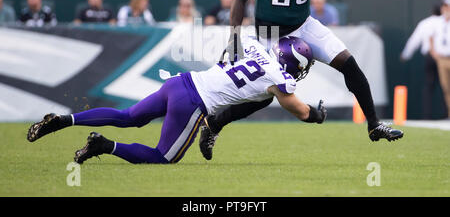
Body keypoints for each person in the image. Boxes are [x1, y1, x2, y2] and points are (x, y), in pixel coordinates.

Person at [199, 0, 403, 161]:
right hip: (266, 33)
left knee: (349, 64)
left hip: (303, 24)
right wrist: (234, 37)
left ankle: (374, 125)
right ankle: (214, 124)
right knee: (263, 96)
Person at [27, 36, 327, 165]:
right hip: (195, 102)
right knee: (164, 157)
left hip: (182, 81)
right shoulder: (280, 80)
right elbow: (299, 110)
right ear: (295, 63)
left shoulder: (254, 46)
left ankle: (64, 120)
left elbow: (232, 46)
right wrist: (318, 116)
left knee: (128, 116)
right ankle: (103, 146)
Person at [400, 3, 444, 119]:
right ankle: (446, 115)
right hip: (443, 57)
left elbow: (414, 40)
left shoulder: (425, 23)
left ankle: (427, 116)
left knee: (429, 86)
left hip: (430, 57)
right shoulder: (444, 23)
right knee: (445, 87)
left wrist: (406, 55)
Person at [429, 0, 450, 118]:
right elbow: (430, 37)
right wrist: (434, 53)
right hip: (442, 59)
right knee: (446, 87)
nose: (445, 9)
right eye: (444, 7)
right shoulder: (436, 22)